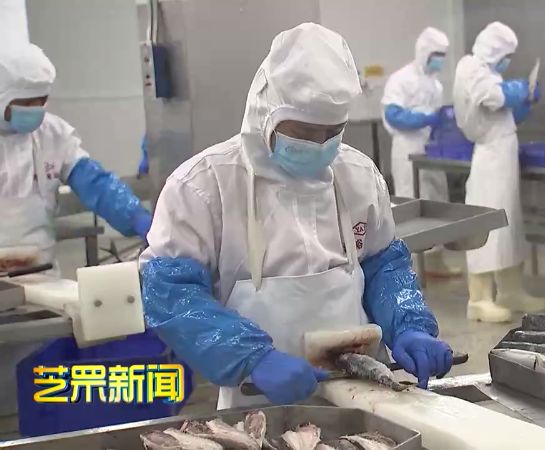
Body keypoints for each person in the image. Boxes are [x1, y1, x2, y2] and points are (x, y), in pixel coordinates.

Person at [140, 23, 453, 409]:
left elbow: (383, 266)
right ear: (265, 112)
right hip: (259, 401)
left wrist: (408, 324)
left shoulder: (358, 176)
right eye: (303, 132)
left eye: (332, 132)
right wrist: (251, 357)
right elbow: (171, 294)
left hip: (364, 395)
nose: (320, 145)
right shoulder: (203, 186)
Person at [0, 44, 152, 270]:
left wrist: (137, 217)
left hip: (40, 270)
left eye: (41, 100)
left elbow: (96, 184)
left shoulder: (53, 134)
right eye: (25, 103)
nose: (35, 109)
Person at [453, 22, 544, 323]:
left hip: (503, 155)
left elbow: (503, 113)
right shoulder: (471, 68)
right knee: (488, 227)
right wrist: (519, 89)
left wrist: (525, 102)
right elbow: (493, 98)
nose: (508, 61)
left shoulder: (490, 73)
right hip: (490, 159)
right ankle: (479, 300)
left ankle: (510, 290)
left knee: (508, 226)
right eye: (507, 55)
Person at [381, 27, 459, 277]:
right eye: (436, 54)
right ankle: (413, 269)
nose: (440, 60)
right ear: (424, 52)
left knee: (436, 202)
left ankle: (435, 264)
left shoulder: (435, 85)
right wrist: (424, 118)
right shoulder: (401, 79)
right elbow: (393, 115)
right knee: (411, 205)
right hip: (407, 149)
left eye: (443, 55)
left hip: (430, 150)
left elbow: (437, 118)